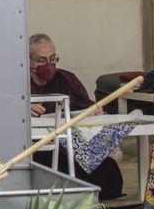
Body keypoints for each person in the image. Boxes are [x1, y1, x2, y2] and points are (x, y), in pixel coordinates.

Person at [27, 34, 124, 200]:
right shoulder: (17, 82)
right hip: (37, 149)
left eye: (53, 59)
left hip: (70, 146)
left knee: (110, 173)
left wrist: (95, 112)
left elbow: (86, 108)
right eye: (42, 60)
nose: (49, 65)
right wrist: (25, 109)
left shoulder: (66, 79)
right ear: (28, 59)